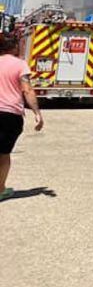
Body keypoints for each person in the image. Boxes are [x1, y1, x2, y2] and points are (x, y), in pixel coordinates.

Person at [0, 34, 44, 202]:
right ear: (14, 47)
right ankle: (1, 190)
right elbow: (27, 90)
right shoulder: (20, 65)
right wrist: (37, 113)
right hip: (10, 115)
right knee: (3, 153)